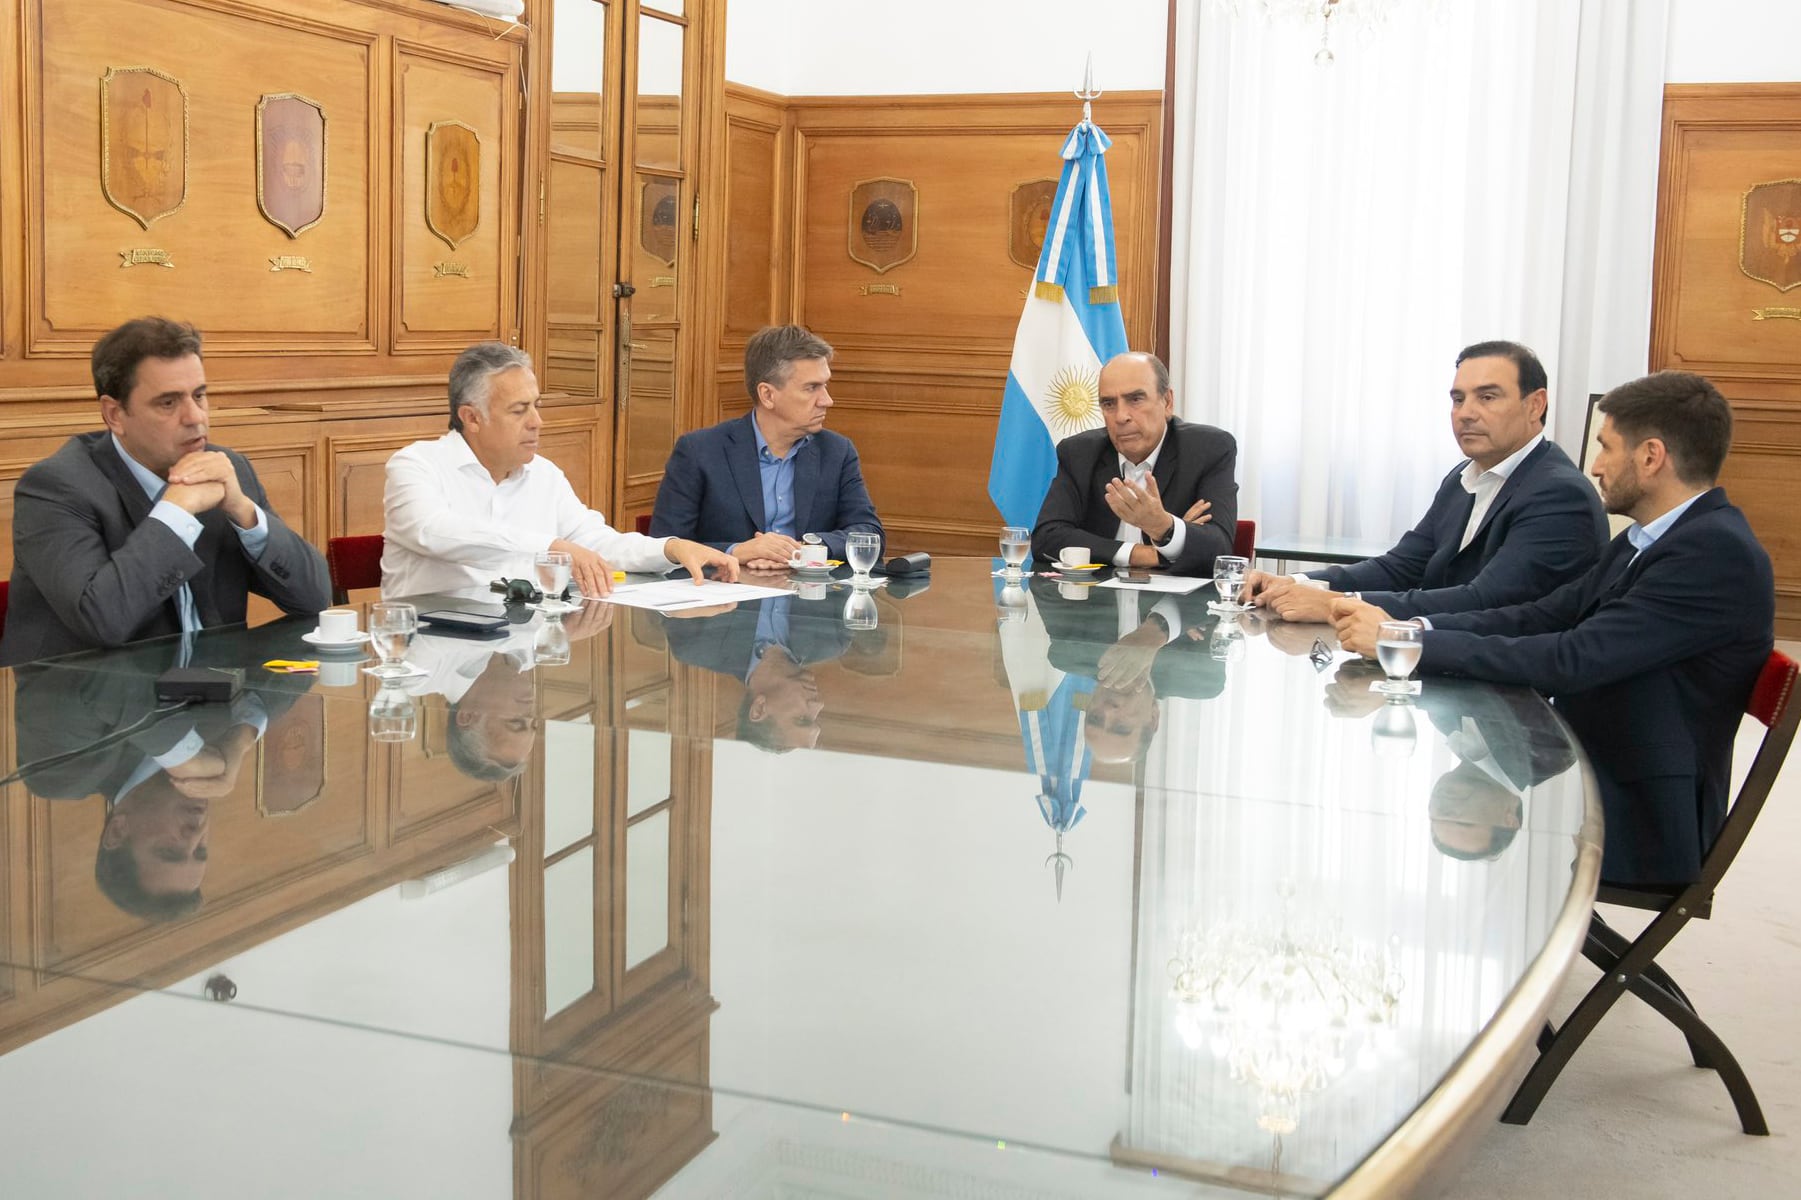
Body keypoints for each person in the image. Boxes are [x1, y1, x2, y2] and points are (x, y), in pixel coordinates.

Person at [1332, 370, 1774, 886]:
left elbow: (1573, 659)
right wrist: (1410, 628)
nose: (1596, 466)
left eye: (1606, 448)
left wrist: (1404, 642)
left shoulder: (1713, 552)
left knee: (1396, 807)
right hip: (1580, 755)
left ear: (1651, 457)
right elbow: (1541, 615)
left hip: (1636, 805)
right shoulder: (1650, 539)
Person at [0, 317, 330, 666]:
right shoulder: (56, 488)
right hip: (90, 695)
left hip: (212, 689)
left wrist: (244, 512)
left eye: (199, 396)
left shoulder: (225, 471)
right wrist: (174, 513)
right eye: (168, 403)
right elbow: (102, 620)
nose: (195, 417)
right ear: (115, 415)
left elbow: (314, 598)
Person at [1248, 341, 1607, 624]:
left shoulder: (1559, 494)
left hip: (1514, 684)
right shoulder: (1462, 477)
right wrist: (1295, 583)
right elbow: (1401, 566)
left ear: (1535, 405)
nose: (1466, 413)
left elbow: (1485, 600)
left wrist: (1334, 604)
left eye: (1487, 397)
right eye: (1458, 399)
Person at [382, 342, 738, 598]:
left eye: (536, 406)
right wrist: (552, 547)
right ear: (472, 418)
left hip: (523, 646)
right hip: (430, 655)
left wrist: (672, 549)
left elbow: (596, 542)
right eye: (519, 410)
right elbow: (435, 532)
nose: (537, 422)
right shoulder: (416, 466)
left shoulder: (544, 474)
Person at [650, 324, 884, 569]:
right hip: (726, 590)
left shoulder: (836, 451)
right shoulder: (699, 451)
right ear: (768, 395)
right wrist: (736, 551)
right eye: (811, 388)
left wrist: (804, 550)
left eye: (825, 385)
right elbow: (665, 546)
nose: (827, 400)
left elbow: (869, 534)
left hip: (807, 590)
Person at [1029, 351, 1237, 576]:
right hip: (1096, 595)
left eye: (1135, 399)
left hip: (1176, 597)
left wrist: (1163, 526)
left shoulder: (1208, 449)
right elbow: (1047, 538)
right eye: (1109, 403)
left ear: (1167, 402)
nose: (1121, 416)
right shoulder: (1079, 453)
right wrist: (1146, 553)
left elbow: (1219, 548)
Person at [661, 594, 849, 753]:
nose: (818, 705)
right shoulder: (832, 640)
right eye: (815, 718)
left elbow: (672, 572)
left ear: (759, 709)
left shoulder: (695, 645)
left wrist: (740, 560)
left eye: (802, 719)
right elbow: (856, 568)